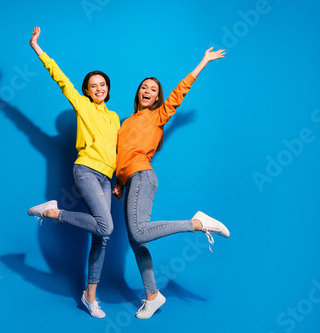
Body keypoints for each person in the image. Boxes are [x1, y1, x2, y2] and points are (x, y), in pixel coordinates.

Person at [112, 46, 230, 319]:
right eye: (144, 87)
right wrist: (119, 181)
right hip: (132, 180)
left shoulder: (157, 116)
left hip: (143, 176)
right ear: (138, 92)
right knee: (136, 241)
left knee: (139, 234)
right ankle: (152, 295)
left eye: (153, 89)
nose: (147, 90)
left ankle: (197, 223)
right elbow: (123, 154)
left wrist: (203, 61)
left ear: (156, 97)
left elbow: (179, 93)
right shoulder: (126, 121)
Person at [27, 26, 120, 319]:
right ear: (87, 90)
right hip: (86, 171)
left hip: (107, 177)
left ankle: (89, 296)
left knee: (101, 236)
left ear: (107, 88)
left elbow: (117, 152)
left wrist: (119, 181)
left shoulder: (115, 117)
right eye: (93, 85)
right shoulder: (82, 106)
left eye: (102, 84)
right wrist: (37, 47)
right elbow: (59, 77)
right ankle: (52, 213)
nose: (98, 88)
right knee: (106, 227)